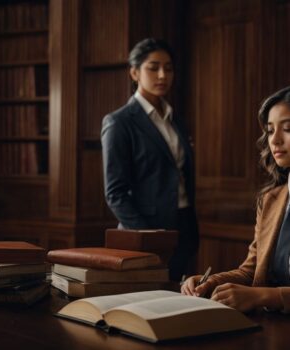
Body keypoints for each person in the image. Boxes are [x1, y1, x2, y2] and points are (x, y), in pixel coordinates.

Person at [181, 86, 290, 312]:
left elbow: (258, 291)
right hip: (270, 327)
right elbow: (250, 271)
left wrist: (263, 296)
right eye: (270, 131)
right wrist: (209, 283)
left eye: (288, 128)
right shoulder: (271, 199)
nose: (275, 140)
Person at [101, 38, 199, 281]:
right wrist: (148, 234)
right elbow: (115, 193)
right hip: (145, 231)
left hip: (183, 224)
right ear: (134, 72)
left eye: (169, 68)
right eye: (153, 67)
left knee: (178, 301)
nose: (163, 75)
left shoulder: (175, 120)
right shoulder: (119, 122)